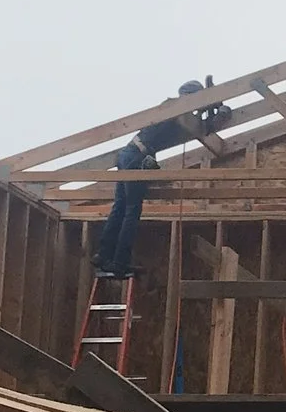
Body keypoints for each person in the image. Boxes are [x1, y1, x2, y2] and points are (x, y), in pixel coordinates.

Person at [93, 81, 225, 277]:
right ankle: (119, 263)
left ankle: (103, 257)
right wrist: (215, 109)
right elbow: (197, 125)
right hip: (135, 157)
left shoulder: (174, 111)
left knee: (120, 207)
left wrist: (210, 110)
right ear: (190, 96)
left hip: (129, 154)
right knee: (131, 210)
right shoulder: (176, 107)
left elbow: (198, 126)